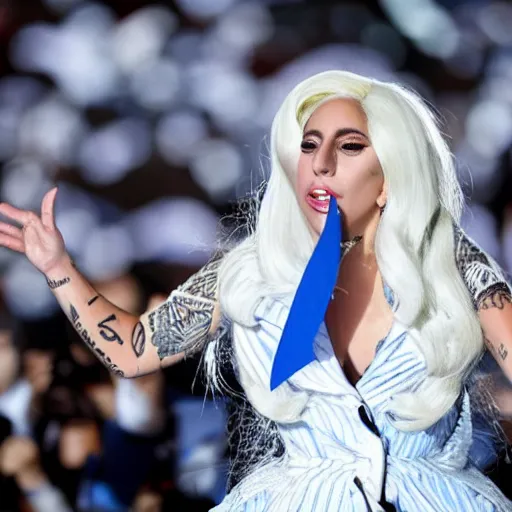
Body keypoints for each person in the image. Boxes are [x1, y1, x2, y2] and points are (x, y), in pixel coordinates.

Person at [0, 70, 511, 511]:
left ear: (390, 177)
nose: (322, 163)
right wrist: (58, 267)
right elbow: (133, 351)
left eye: (349, 146)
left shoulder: (451, 264)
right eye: (309, 145)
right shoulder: (252, 270)